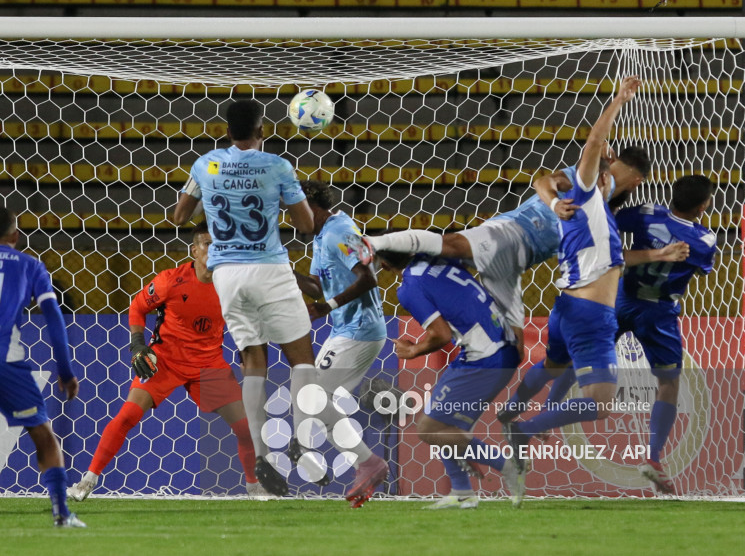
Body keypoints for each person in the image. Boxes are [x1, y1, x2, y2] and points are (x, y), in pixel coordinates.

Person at [173, 100, 384, 502]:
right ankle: (310, 447)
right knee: (300, 357)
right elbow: (305, 225)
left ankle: (263, 455)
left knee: (253, 358)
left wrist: (215, 195)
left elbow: (180, 216)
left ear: (225, 131)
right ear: (263, 130)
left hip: (226, 274)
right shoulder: (278, 166)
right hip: (268, 266)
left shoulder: (205, 164)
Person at [348, 146, 651, 360]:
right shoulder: (586, 177)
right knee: (451, 244)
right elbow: (542, 181)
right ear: (639, 181)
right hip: (512, 231)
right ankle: (374, 242)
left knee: (515, 350)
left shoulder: (606, 196)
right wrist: (554, 204)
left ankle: (509, 420)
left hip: (517, 263)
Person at [501, 76, 642, 473]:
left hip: (566, 308)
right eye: (603, 169)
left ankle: (512, 409)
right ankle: (524, 430)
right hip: (590, 314)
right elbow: (593, 144)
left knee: (553, 366)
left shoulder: (593, 212)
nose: (604, 172)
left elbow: (553, 177)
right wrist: (618, 101)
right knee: (600, 404)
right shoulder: (583, 192)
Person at [68, 223, 267, 500]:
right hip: (165, 360)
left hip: (208, 364)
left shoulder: (232, 285)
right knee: (128, 415)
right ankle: (87, 481)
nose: (215, 249)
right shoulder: (171, 280)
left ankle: (254, 486)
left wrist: (243, 354)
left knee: (245, 427)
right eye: (209, 244)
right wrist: (137, 344)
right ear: (194, 250)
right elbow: (138, 306)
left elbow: (244, 322)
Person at [378, 249, 525, 509]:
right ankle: (462, 490)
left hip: (484, 356)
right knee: (443, 425)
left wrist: (412, 351)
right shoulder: (440, 261)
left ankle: (508, 465)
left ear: (385, 265)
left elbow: (441, 335)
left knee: (428, 428)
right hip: (498, 347)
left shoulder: (409, 287)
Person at [615, 174, 717, 493]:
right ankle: (654, 457)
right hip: (658, 313)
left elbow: (615, 219)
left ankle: (536, 420)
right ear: (703, 205)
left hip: (621, 300)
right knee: (669, 383)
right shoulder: (704, 239)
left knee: (579, 360)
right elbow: (702, 269)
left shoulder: (648, 213)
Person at [292, 180, 389, 507]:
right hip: (346, 328)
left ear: (311, 205)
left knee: (312, 396)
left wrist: (326, 308)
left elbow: (368, 277)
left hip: (360, 329)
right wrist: (286, 272)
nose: (290, 217)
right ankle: (359, 463)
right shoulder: (323, 236)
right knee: (314, 400)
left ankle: (367, 462)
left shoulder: (339, 233)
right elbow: (319, 286)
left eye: (294, 209)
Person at [0, 207, 86, 527]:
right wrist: (65, 372)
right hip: (6, 363)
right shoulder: (30, 265)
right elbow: (54, 319)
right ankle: (61, 514)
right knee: (44, 437)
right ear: (15, 236)